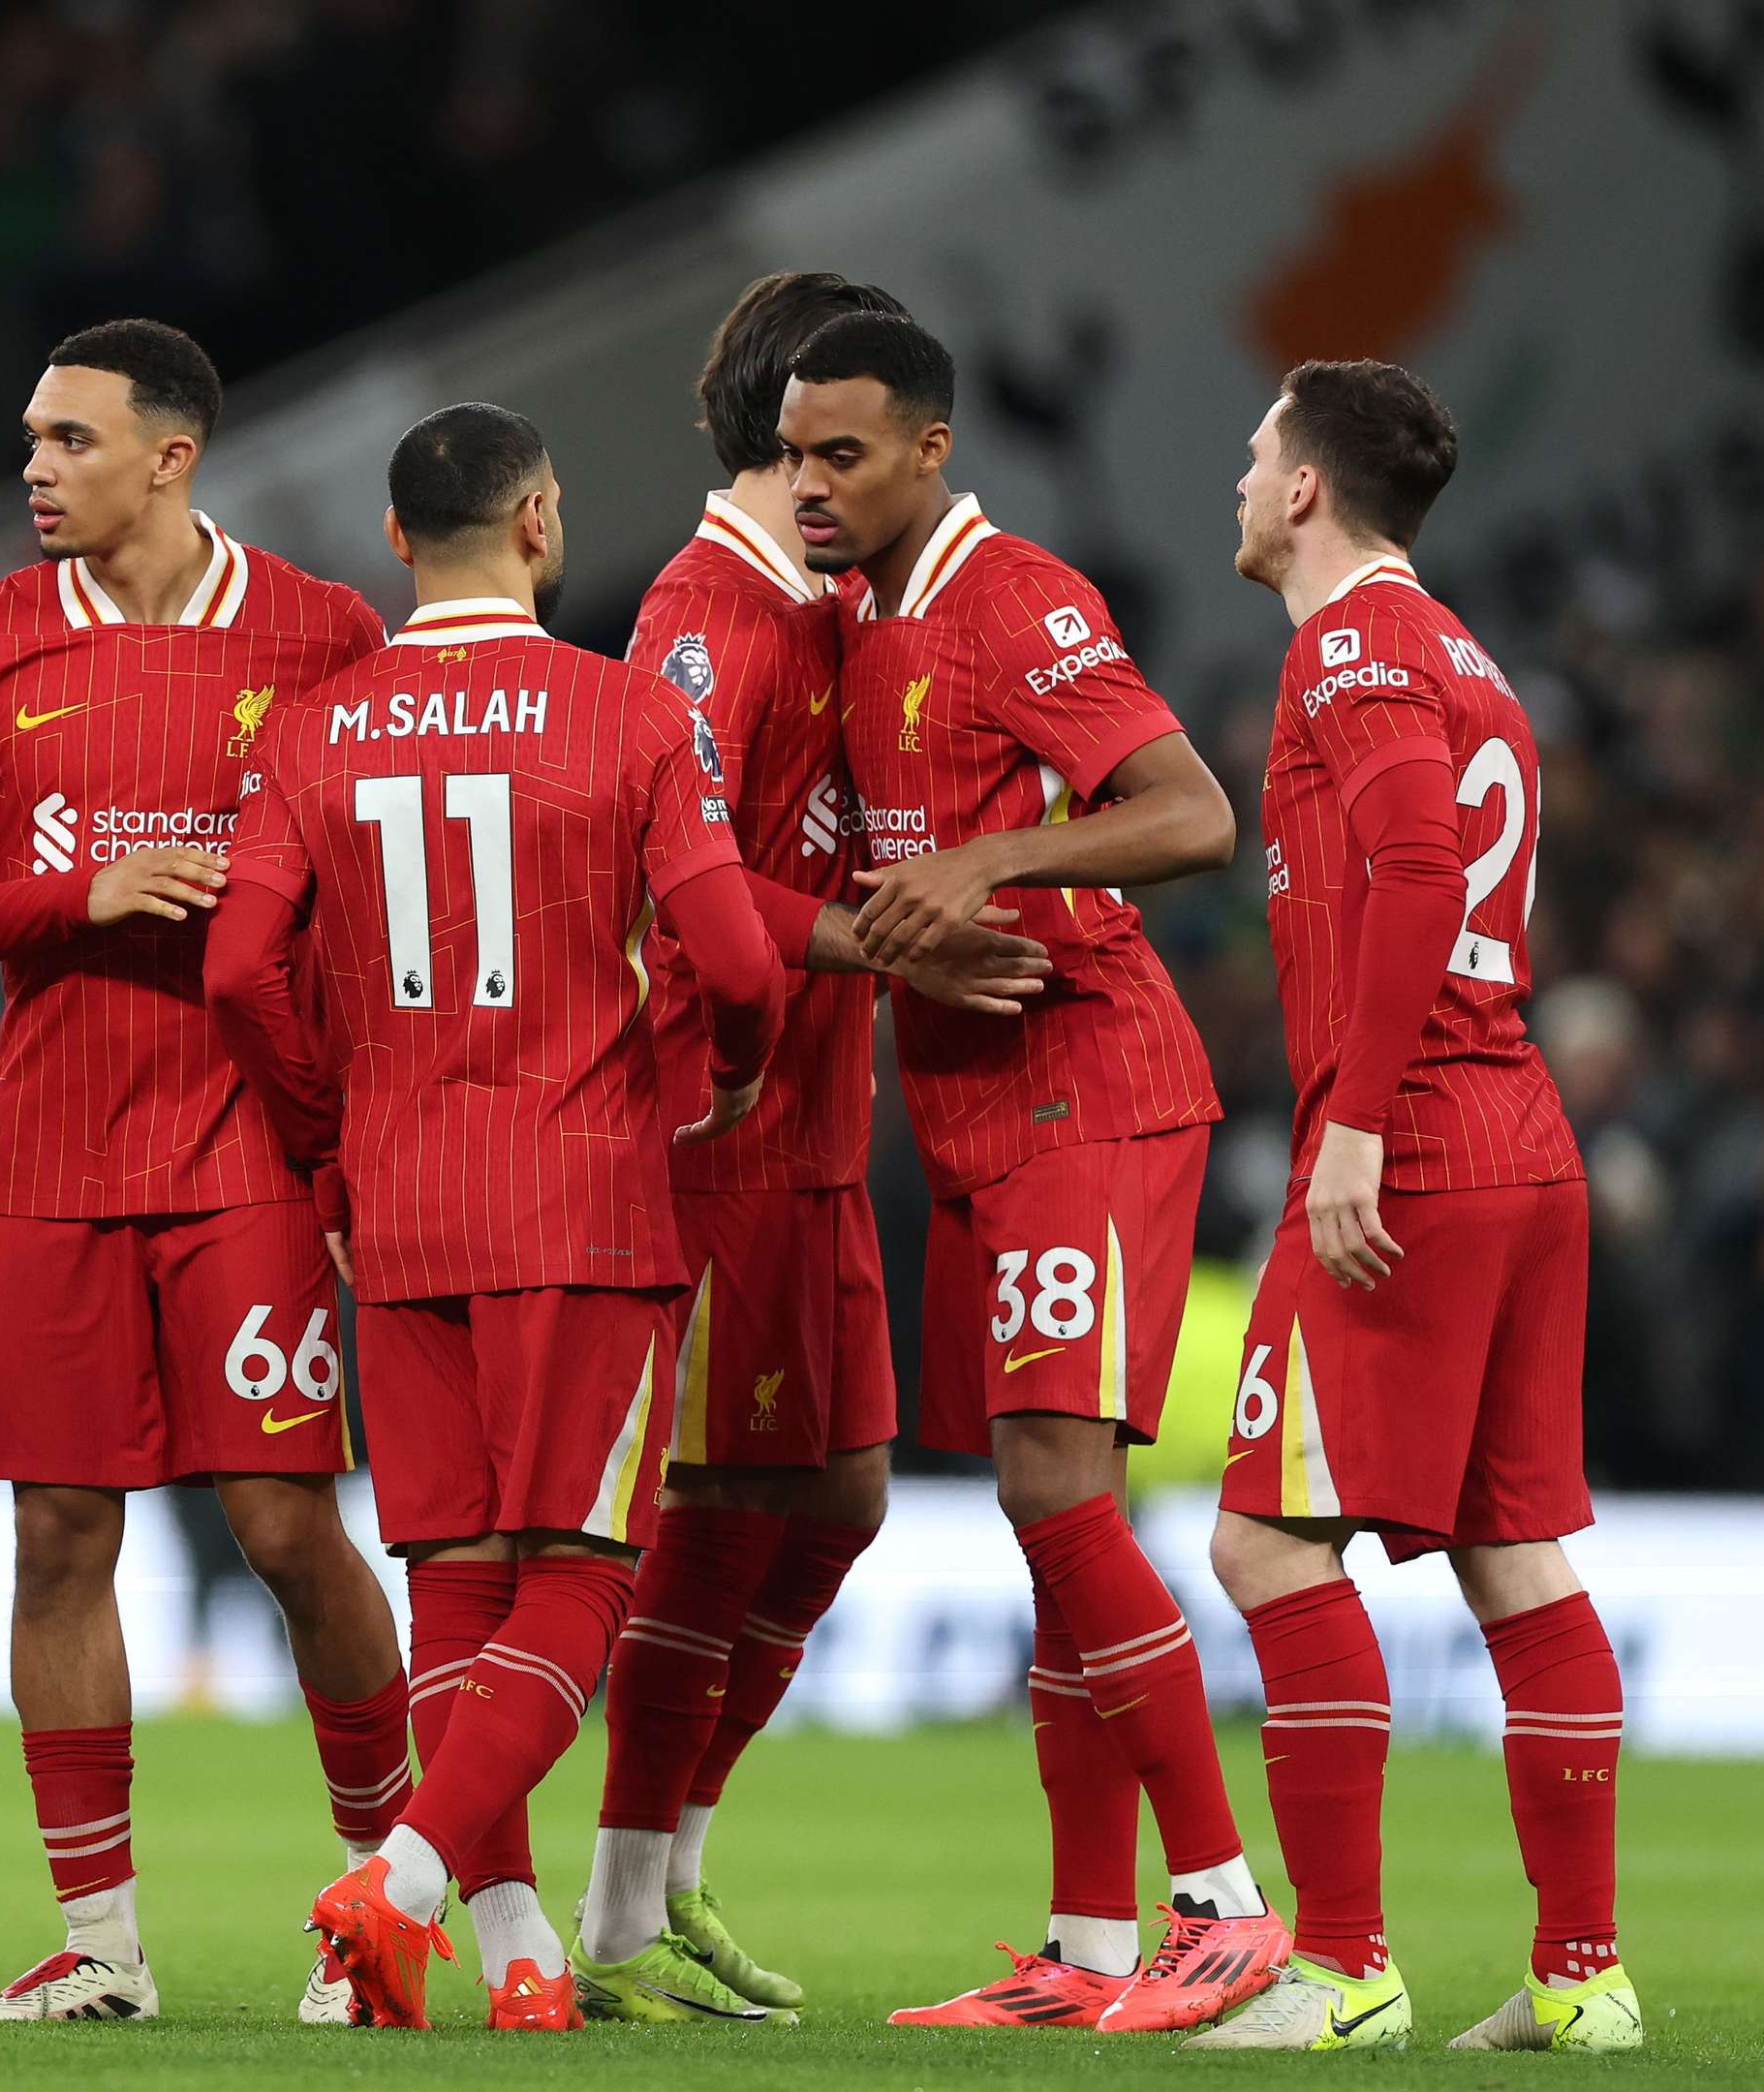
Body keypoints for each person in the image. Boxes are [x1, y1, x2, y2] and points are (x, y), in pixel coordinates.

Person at [204, 401, 789, 2032]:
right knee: (586, 1574)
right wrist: (733, 1075)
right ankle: (394, 1889)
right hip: (583, 1197)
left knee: (461, 1582)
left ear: (397, 540)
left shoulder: (311, 734)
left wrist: (328, 1150)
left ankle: (523, 1954)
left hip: (399, 1206)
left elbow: (238, 969)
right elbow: (738, 962)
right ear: (542, 519)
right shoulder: (625, 721)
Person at [0, 320, 409, 2025]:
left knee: (286, 1527)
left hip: (246, 1142)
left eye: (71, 441)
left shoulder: (324, 632)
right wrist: (76, 896)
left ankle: (379, 1913)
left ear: (171, 458)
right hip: (50, 1158)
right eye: (30, 437)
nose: (35, 467)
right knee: (54, 1537)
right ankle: (101, 1950)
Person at [776, 309, 1284, 2032]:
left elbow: (1195, 812)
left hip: (1096, 1086)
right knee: (1053, 1519)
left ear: (929, 447)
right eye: (794, 453)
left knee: (1059, 1492)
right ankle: (1082, 1951)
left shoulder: (1017, 598)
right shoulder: (853, 617)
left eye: (843, 453)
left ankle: (1225, 1907)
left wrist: (1000, 851)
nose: (812, 483)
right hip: (978, 1112)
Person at [577, 268, 1055, 2023]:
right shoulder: (709, 621)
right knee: (720, 1505)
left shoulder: (829, 608)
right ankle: (621, 1919)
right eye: (834, 445)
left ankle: (678, 1863)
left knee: (840, 1501)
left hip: (818, 1129)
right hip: (715, 1124)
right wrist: (883, 938)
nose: (862, 481)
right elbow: (670, 875)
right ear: (789, 448)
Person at [1188, 360, 1635, 2054]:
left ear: (1306, 487)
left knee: (1263, 1541)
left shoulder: (1353, 645)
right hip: (1521, 1132)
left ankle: (1341, 1966)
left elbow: (1421, 867)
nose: (1239, 478)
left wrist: (1357, 1131)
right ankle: (1582, 1979)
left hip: (1418, 1141)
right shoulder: (1461, 650)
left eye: (1254, 454)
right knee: (1512, 1555)